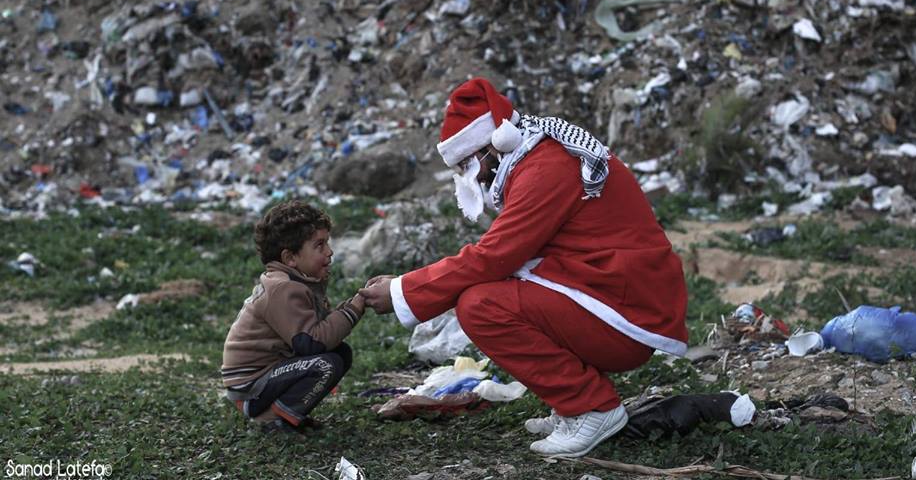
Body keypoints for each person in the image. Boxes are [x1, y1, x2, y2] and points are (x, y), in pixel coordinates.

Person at [360, 77, 688, 457]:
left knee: (480, 306)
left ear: (490, 146)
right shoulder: (535, 157)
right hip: (617, 294)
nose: (475, 176)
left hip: (624, 309)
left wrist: (403, 290)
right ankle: (573, 405)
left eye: (469, 163)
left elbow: (494, 255)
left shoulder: (544, 169)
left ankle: (591, 407)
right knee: (495, 292)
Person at [221, 200, 365, 435]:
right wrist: (355, 307)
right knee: (324, 364)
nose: (329, 252)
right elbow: (311, 343)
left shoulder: (295, 281)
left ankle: (287, 415)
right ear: (290, 258)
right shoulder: (284, 288)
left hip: (266, 374)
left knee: (339, 353)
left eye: (327, 243)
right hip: (250, 385)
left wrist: (351, 305)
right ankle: (273, 420)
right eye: (319, 245)